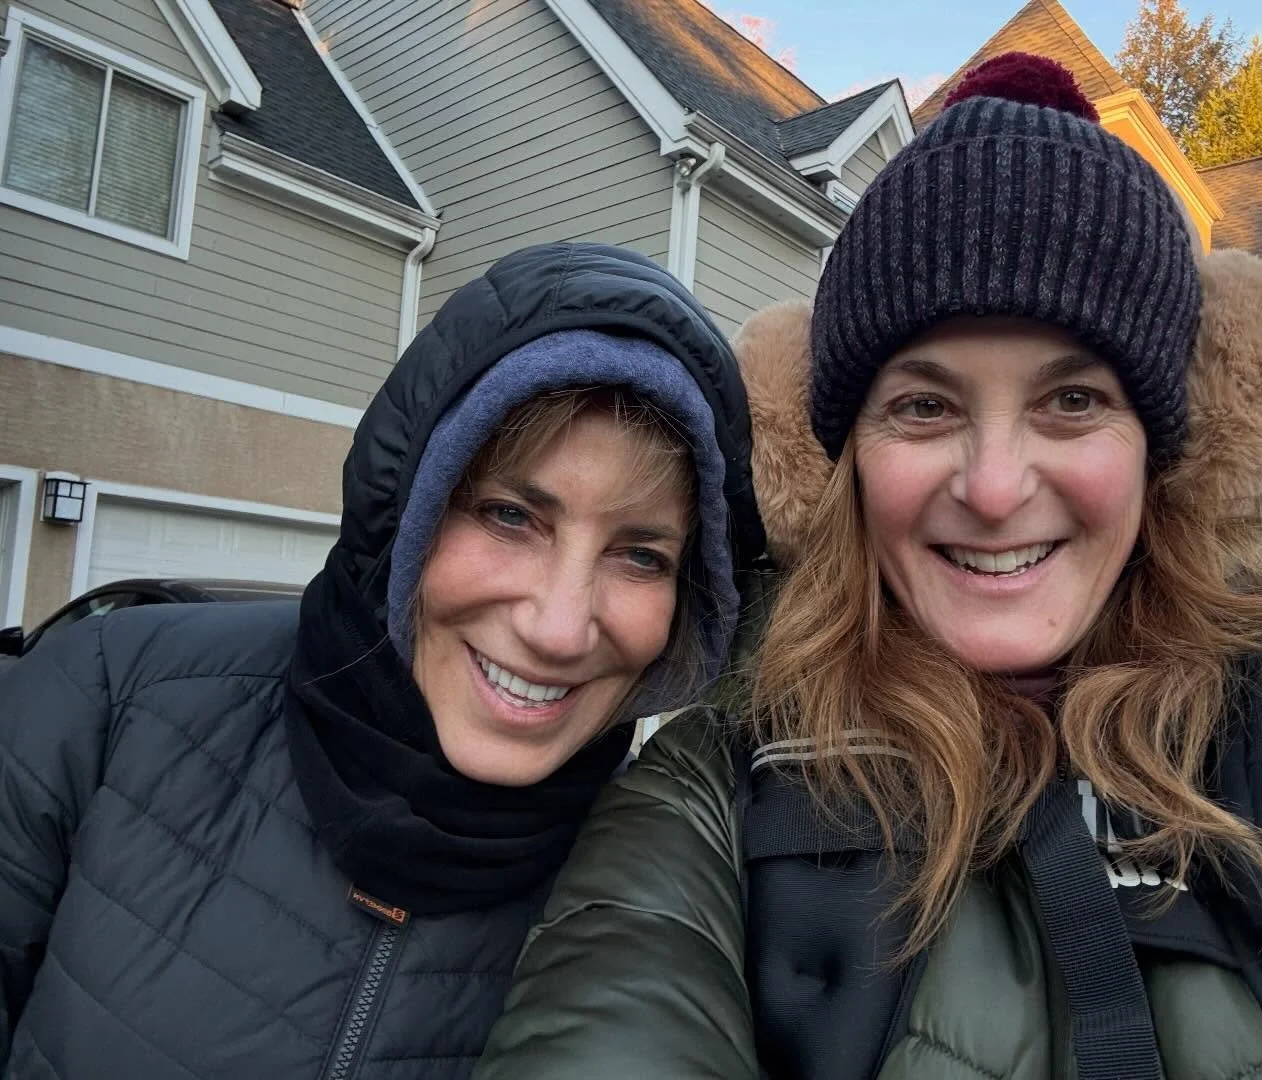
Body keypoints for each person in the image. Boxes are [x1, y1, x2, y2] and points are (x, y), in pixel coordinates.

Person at [474, 56, 1262, 1080]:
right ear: (837, 462)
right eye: (924, 406)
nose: (992, 488)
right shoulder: (712, 797)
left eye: (1072, 401)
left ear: (1167, 451)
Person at [0, 242, 766, 1078]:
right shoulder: (106, 700)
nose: (558, 628)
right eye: (510, 516)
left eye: (641, 556)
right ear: (403, 511)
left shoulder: (671, 882)